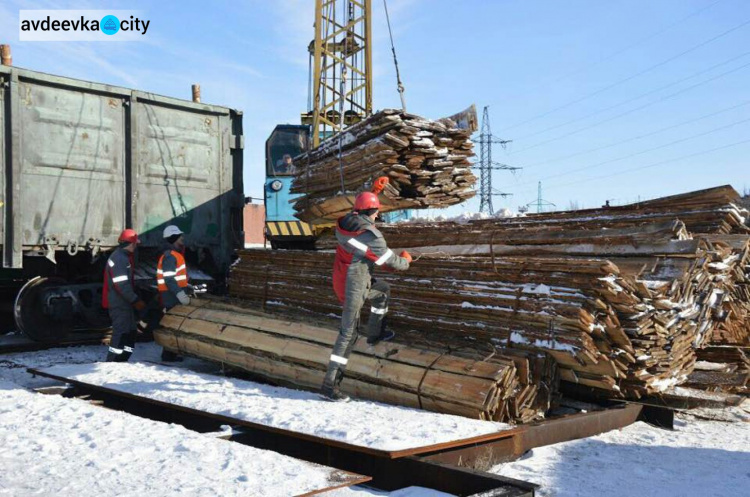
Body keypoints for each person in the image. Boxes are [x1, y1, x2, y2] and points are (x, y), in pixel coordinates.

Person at [320, 191, 412, 402]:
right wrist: (406, 260)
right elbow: (392, 262)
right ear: (375, 211)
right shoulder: (371, 235)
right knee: (348, 334)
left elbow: (368, 250)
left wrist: (374, 191)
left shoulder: (346, 223)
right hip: (354, 284)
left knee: (383, 291)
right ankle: (329, 385)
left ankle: (375, 333)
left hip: (344, 276)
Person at [103, 229, 147, 362]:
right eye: (135, 244)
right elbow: (121, 285)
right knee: (121, 333)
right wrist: (136, 300)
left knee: (130, 332)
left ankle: (122, 360)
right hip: (120, 303)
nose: (136, 246)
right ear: (132, 244)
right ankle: (112, 362)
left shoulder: (121, 257)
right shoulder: (120, 259)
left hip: (123, 303)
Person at [156, 225, 192, 361]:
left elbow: (175, 277)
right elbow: (169, 279)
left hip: (173, 293)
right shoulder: (170, 256)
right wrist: (180, 294)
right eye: (180, 236)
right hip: (171, 295)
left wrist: (185, 286)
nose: (182, 238)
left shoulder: (173, 254)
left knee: (173, 324)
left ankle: (170, 354)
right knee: (172, 325)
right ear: (174, 238)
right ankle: (168, 355)